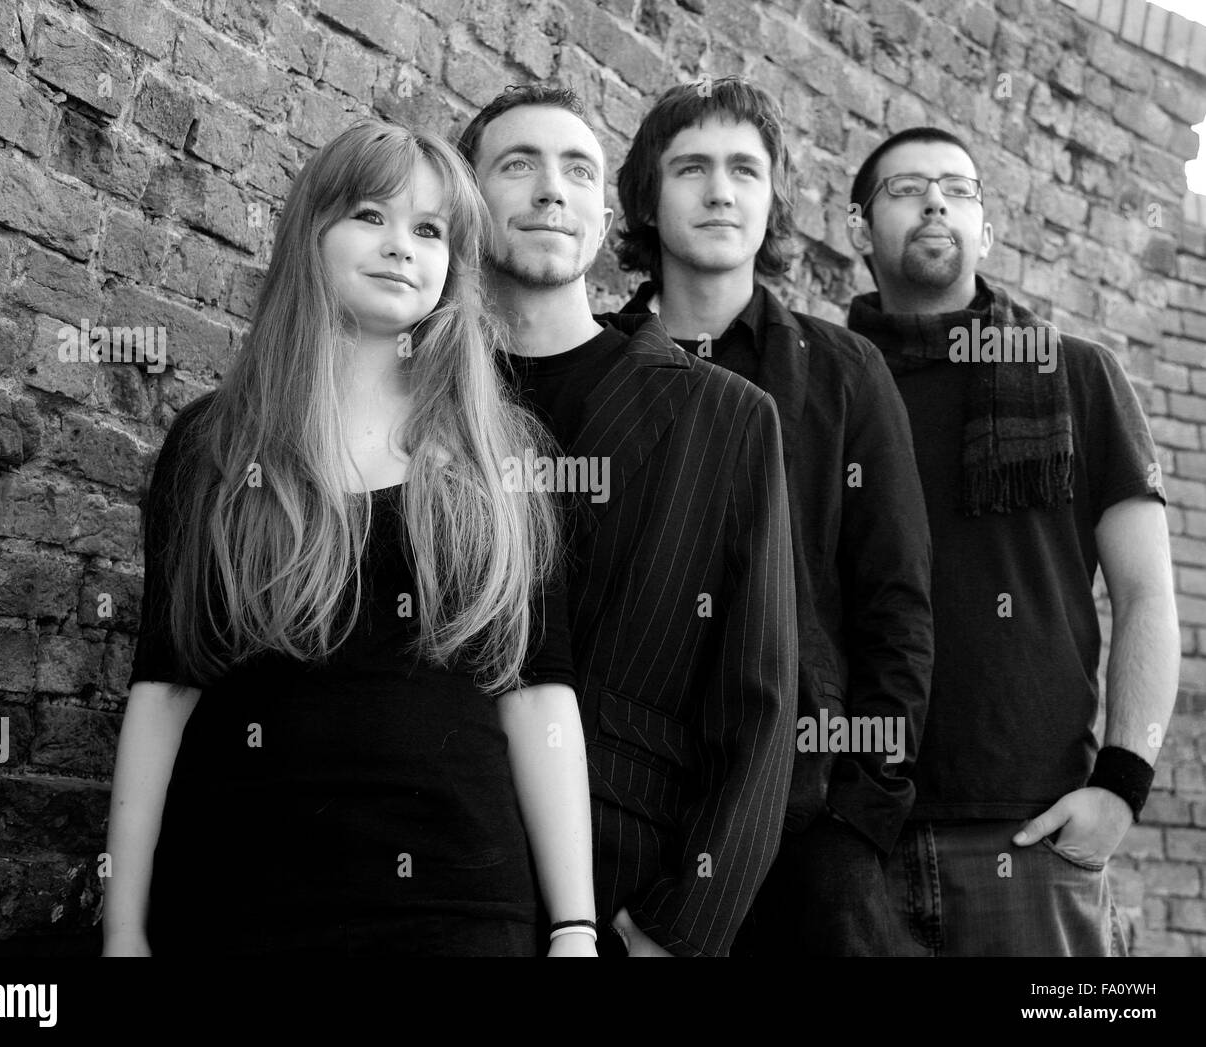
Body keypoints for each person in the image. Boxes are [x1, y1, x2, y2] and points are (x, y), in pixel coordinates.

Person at [102, 119, 597, 958]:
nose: (402, 245)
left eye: (430, 230)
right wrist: (122, 931)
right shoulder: (214, 444)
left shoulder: (500, 456)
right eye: (371, 215)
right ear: (312, 233)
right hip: (235, 900)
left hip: (457, 908)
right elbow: (164, 690)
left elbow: (537, 696)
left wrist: (575, 927)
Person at [459, 85, 798, 957]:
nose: (551, 189)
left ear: (604, 216)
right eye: (518, 165)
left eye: (578, 170)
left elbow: (758, 703)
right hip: (429, 866)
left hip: (624, 890)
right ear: (465, 201)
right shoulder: (415, 397)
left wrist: (682, 929)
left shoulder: (726, 416)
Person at [611, 77, 933, 957]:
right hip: (626, 814)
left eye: (745, 171)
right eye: (692, 168)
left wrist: (859, 817)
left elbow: (896, 606)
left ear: (772, 199)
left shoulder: (844, 373)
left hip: (806, 820)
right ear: (647, 198)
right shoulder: (599, 363)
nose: (721, 191)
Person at [845, 126, 1179, 955]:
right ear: (858, 228)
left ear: (987, 232)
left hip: (1032, 836)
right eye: (906, 188)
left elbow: (1147, 595)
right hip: (849, 834)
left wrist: (1121, 787)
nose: (935, 203)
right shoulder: (824, 381)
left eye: (958, 190)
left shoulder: (1078, 375)